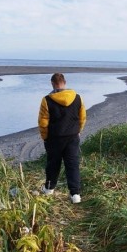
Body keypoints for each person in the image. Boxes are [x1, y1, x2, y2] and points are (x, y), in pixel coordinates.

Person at [38, 73, 86, 204]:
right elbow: (82, 118)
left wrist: (45, 137)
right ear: (64, 82)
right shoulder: (77, 98)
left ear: (52, 84)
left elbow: (43, 122)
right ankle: (75, 194)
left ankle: (49, 189)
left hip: (54, 138)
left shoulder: (47, 100)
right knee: (72, 164)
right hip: (72, 136)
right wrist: (78, 131)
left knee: (53, 163)